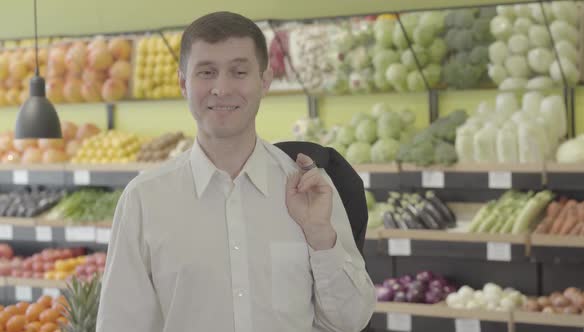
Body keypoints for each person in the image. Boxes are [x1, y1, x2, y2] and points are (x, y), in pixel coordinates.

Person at [97, 11, 376, 332]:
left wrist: (321, 237)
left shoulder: (308, 189)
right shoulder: (144, 200)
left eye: (239, 71)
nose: (222, 87)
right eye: (206, 72)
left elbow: (351, 321)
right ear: (183, 84)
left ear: (265, 81)